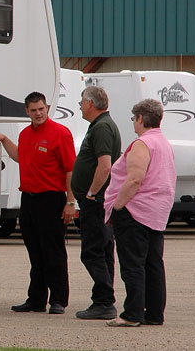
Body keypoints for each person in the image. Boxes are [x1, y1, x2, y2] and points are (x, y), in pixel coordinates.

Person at [0, 91, 76, 315]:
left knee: (53, 252)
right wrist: (4, 139)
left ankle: (58, 300)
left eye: (41, 109)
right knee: (35, 252)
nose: (38, 113)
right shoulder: (25, 134)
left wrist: (70, 202)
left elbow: (70, 170)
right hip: (28, 199)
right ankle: (36, 299)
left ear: (47, 108)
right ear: (26, 111)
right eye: (33, 110)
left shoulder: (60, 134)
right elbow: (20, 156)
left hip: (52, 198)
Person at [103, 99, 176, 327]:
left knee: (132, 263)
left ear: (141, 118)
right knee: (154, 263)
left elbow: (135, 177)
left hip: (135, 211)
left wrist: (117, 205)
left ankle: (132, 313)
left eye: (134, 119)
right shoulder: (163, 143)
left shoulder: (142, 144)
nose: (133, 123)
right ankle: (154, 313)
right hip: (156, 212)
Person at [71, 86, 122, 320]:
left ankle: (104, 300)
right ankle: (103, 300)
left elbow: (105, 165)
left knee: (92, 252)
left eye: (82, 101)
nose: (80, 105)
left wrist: (91, 193)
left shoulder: (102, 127)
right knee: (103, 250)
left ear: (90, 103)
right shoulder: (102, 125)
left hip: (96, 201)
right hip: (99, 200)